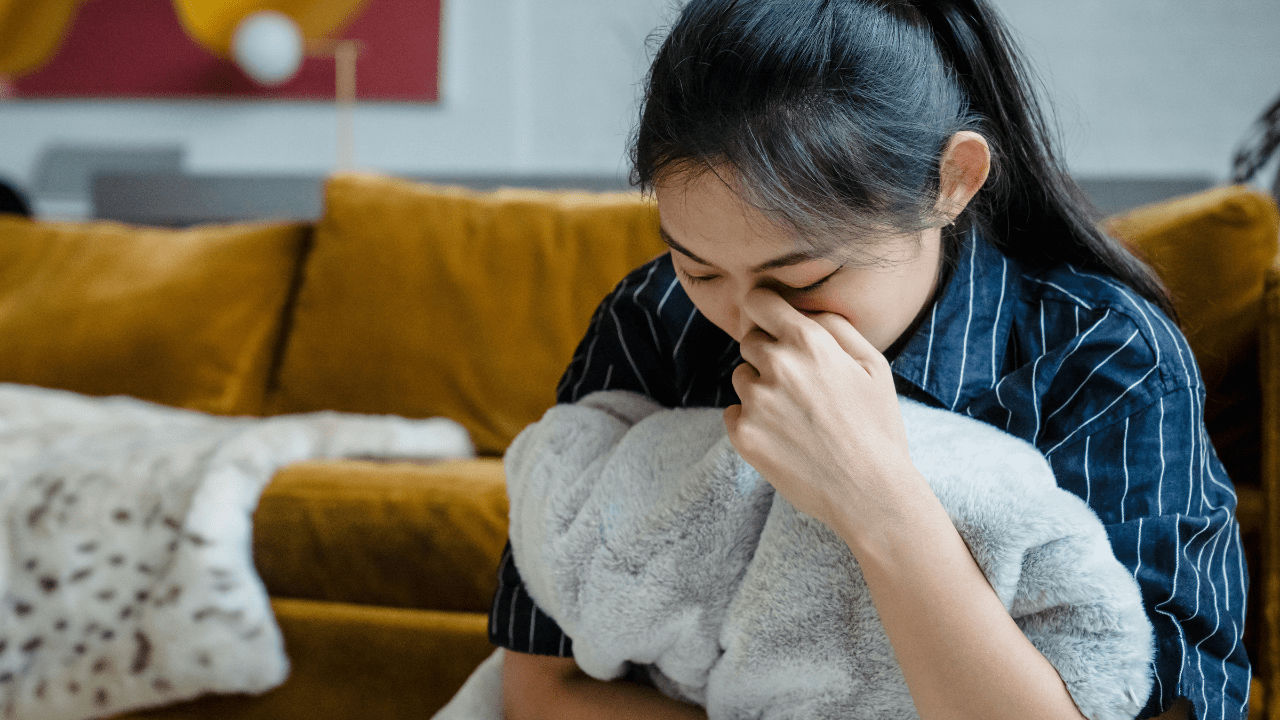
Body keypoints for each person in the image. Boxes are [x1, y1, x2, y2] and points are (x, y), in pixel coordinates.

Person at [489, 1, 1249, 718]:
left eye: (803, 280)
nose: (748, 319)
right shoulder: (652, 320)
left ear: (953, 181)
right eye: (701, 269)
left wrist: (875, 498)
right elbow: (539, 683)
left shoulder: (1103, 356)